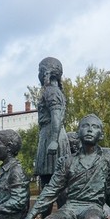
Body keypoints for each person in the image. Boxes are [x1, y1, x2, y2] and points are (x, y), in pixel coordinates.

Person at [33, 57, 71, 204]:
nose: (38, 74)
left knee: (53, 181)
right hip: (49, 135)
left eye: (39, 70)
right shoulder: (54, 91)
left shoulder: (51, 91)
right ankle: (47, 218)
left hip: (52, 136)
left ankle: (58, 217)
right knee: (51, 181)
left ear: (45, 72)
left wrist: (53, 141)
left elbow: (56, 117)